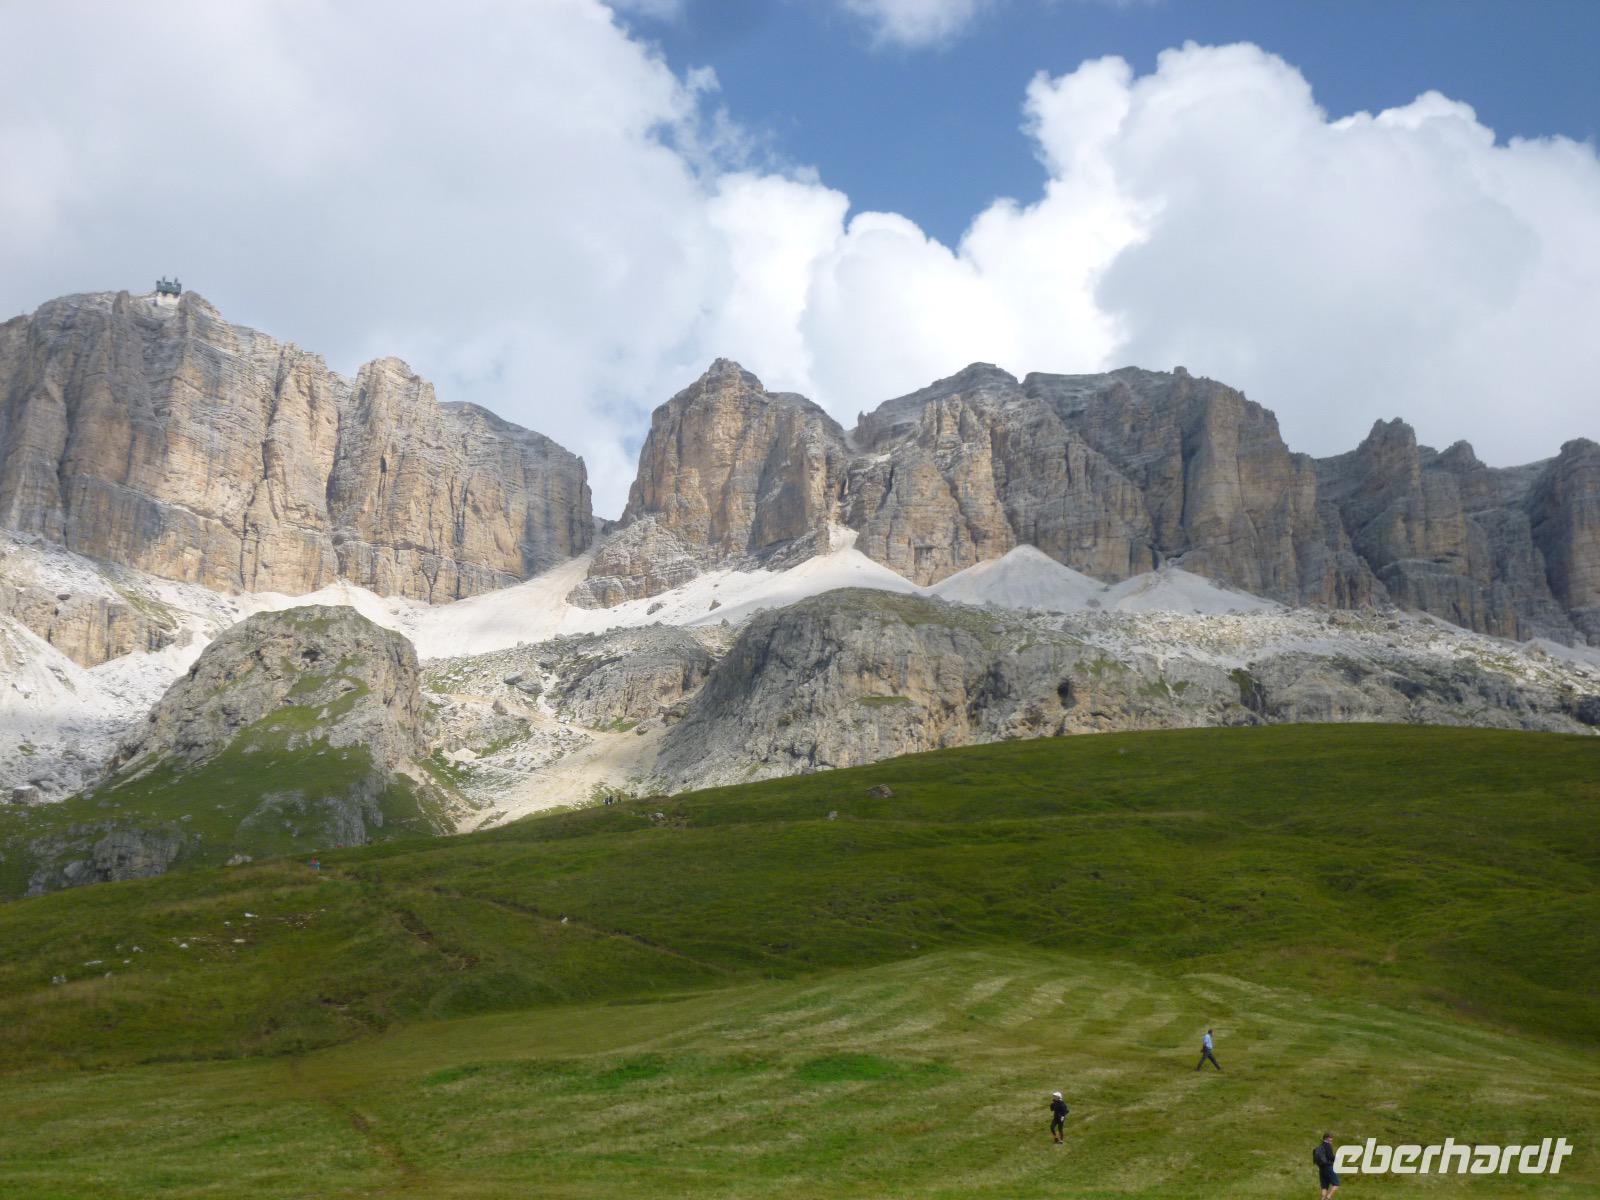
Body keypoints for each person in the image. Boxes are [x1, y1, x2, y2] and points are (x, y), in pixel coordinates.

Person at [1313, 1132, 1339, 1198]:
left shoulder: (1320, 1146)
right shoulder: (1328, 1145)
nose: (1332, 1140)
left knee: (1324, 1187)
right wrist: (1336, 1158)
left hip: (1321, 1169)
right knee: (1336, 1184)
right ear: (1328, 1138)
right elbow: (1330, 1157)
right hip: (1328, 1167)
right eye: (1331, 1139)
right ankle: (1328, 1198)